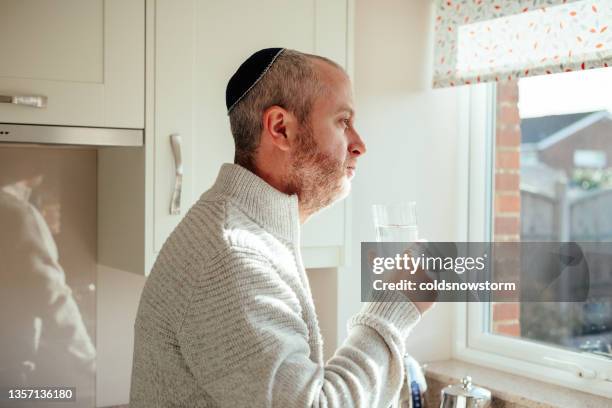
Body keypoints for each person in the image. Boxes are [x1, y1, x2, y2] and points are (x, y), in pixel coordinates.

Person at [130, 48, 433, 407]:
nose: (359, 144)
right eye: (342, 121)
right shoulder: (232, 257)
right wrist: (394, 307)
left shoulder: (248, 233)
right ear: (280, 128)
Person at [0, 153, 96, 408]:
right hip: (8, 380)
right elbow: (53, 297)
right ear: (31, 170)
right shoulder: (18, 215)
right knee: (66, 397)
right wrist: (92, 363)